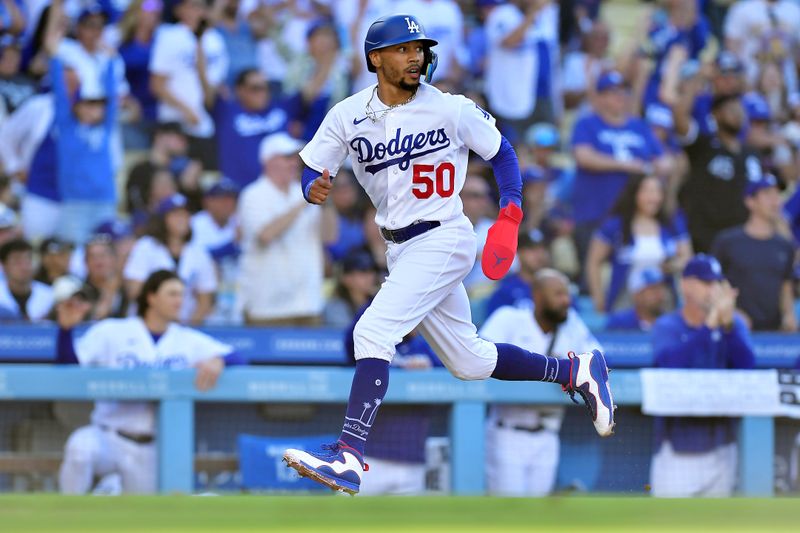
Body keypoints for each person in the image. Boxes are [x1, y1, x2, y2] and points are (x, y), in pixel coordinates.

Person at [283, 14, 615, 496]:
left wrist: (510, 212)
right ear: (375, 57)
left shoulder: (452, 108)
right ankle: (575, 371)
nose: (414, 55)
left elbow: (502, 154)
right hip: (398, 246)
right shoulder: (347, 114)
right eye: (402, 48)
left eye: (418, 47)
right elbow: (312, 164)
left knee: (373, 331)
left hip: (442, 235)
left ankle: (350, 455)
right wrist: (310, 185)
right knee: (471, 362)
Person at [56, 269, 244, 494]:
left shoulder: (187, 339)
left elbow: (239, 357)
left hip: (153, 447)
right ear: (151, 297)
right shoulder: (112, 331)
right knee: (80, 448)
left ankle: (109, 491)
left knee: (145, 519)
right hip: (109, 435)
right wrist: (65, 331)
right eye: (172, 294)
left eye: (182, 295)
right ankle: (69, 513)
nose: (179, 301)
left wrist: (219, 360)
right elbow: (69, 366)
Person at [480, 269, 600, 496]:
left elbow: (598, 361)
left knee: (537, 519)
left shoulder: (572, 323)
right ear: (537, 296)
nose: (566, 301)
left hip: (548, 434)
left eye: (567, 294)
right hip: (508, 432)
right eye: (557, 294)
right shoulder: (510, 317)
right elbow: (480, 358)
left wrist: (570, 369)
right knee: (510, 515)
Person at [649, 254, 756, 497]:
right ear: (686, 285)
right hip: (678, 447)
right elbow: (670, 366)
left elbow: (748, 368)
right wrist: (708, 326)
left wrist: (728, 328)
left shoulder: (732, 325)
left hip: (722, 444)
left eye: (718, 283)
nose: (714, 290)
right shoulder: (668, 325)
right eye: (707, 283)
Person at [570, 70, 670, 266]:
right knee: (593, 270)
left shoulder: (639, 126)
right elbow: (583, 157)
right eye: (612, 92)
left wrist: (656, 166)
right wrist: (628, 165)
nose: (619, 96)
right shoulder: (587, 124)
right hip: (594, 213)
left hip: (632, 219)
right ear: (599, 98)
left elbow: (665, 161)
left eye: (623, 92)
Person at [237, 132, 338, 326]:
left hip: (308, 303)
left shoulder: (302, 192)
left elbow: (329, 237)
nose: (294, 163)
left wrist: (327, 201)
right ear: (268, 161)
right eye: (287, 157)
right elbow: (265, 235)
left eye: (295, 158)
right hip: (266, 307)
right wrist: (304, 200)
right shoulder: (253, 194)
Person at [585, 174, 691, 312]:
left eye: (657, 192)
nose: (653, 198)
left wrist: (672, 266)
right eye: (647, 191)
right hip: (625, 300)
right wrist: (598, 297)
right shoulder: (615, 225)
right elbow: (593, 261)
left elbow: (687, 258)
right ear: (634, 193)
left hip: (663, 300)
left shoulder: (672, 224)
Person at [711, 175, 797, 331]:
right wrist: (733, 313)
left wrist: (788, 314)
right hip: (735, 329)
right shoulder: (728, 241)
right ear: (750, 201)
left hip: (774, 334)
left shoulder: (784, 245)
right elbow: (715, 282)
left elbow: (786, 284)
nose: (775, 201)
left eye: (777, 195)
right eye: (767, 194)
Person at [124, 193, 218, 325]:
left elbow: (205, 297)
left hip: (184, 326)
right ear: (163, 219)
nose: (181, 219)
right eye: (175, 215)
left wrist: (190, 325)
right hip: (146, 323)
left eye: (185, 215)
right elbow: (135, 290)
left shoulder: (199, 253)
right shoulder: (146, 246)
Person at [211, 68, 293, 189]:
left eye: (266, 87)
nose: (263, 93)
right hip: (238, 191)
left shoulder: (281, 107)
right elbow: (206, 90)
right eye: (256, 88)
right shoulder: (226, 111)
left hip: (280, 187)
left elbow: (311, 93)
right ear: (240, 90)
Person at [485, 230, 551, 316]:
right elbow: (496, 323)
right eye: (531, 249)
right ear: (519, 252)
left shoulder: (554, 285)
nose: (538, 254)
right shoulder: (506, 288)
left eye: (541, 249)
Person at [0, 238, 54, 321]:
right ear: (4, 266)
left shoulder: (49, 295)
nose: (24, 267)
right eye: (17, 261)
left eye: (28, 260)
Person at [323, 249, 378, 328]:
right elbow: (347, 334)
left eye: (372, 271)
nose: (370, 277)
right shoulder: (335, 307)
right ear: (346, 278)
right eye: (363, 272)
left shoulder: (378, 301)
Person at [605, 267, 669, 331]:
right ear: (637, 295)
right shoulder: (619, 323)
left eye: (661, 288)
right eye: (653, 289)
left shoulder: (670, 324)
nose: (659, 294)